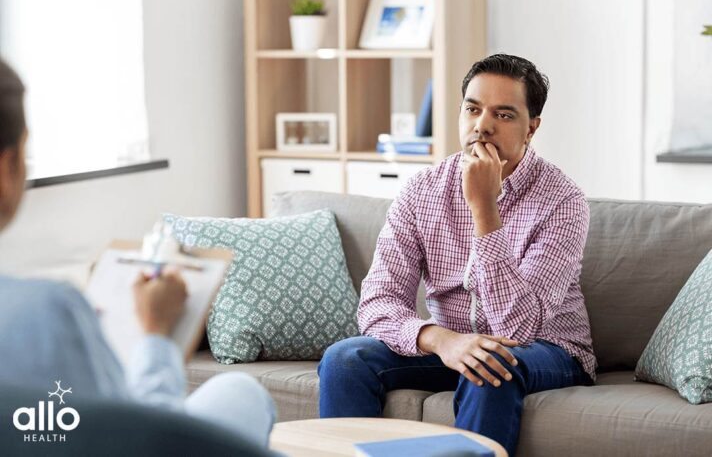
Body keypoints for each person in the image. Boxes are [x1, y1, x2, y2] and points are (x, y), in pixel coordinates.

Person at [318, 54, 596, 455]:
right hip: (453, 346)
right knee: (345, 359)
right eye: (473, 109)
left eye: (503, 114)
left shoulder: (563, 201)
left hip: (546, 349)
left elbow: (518, 329)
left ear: (531, 128)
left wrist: (485, 210)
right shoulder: (422, 190)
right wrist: (440, 340)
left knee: (493, 363)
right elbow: (377, 303)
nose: (482, 125)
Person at [0, 58, 275, 448]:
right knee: (245, 396)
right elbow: (147, 438)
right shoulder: (48, 314)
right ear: (7, 166)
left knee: (236, 391)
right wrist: (156, 334)